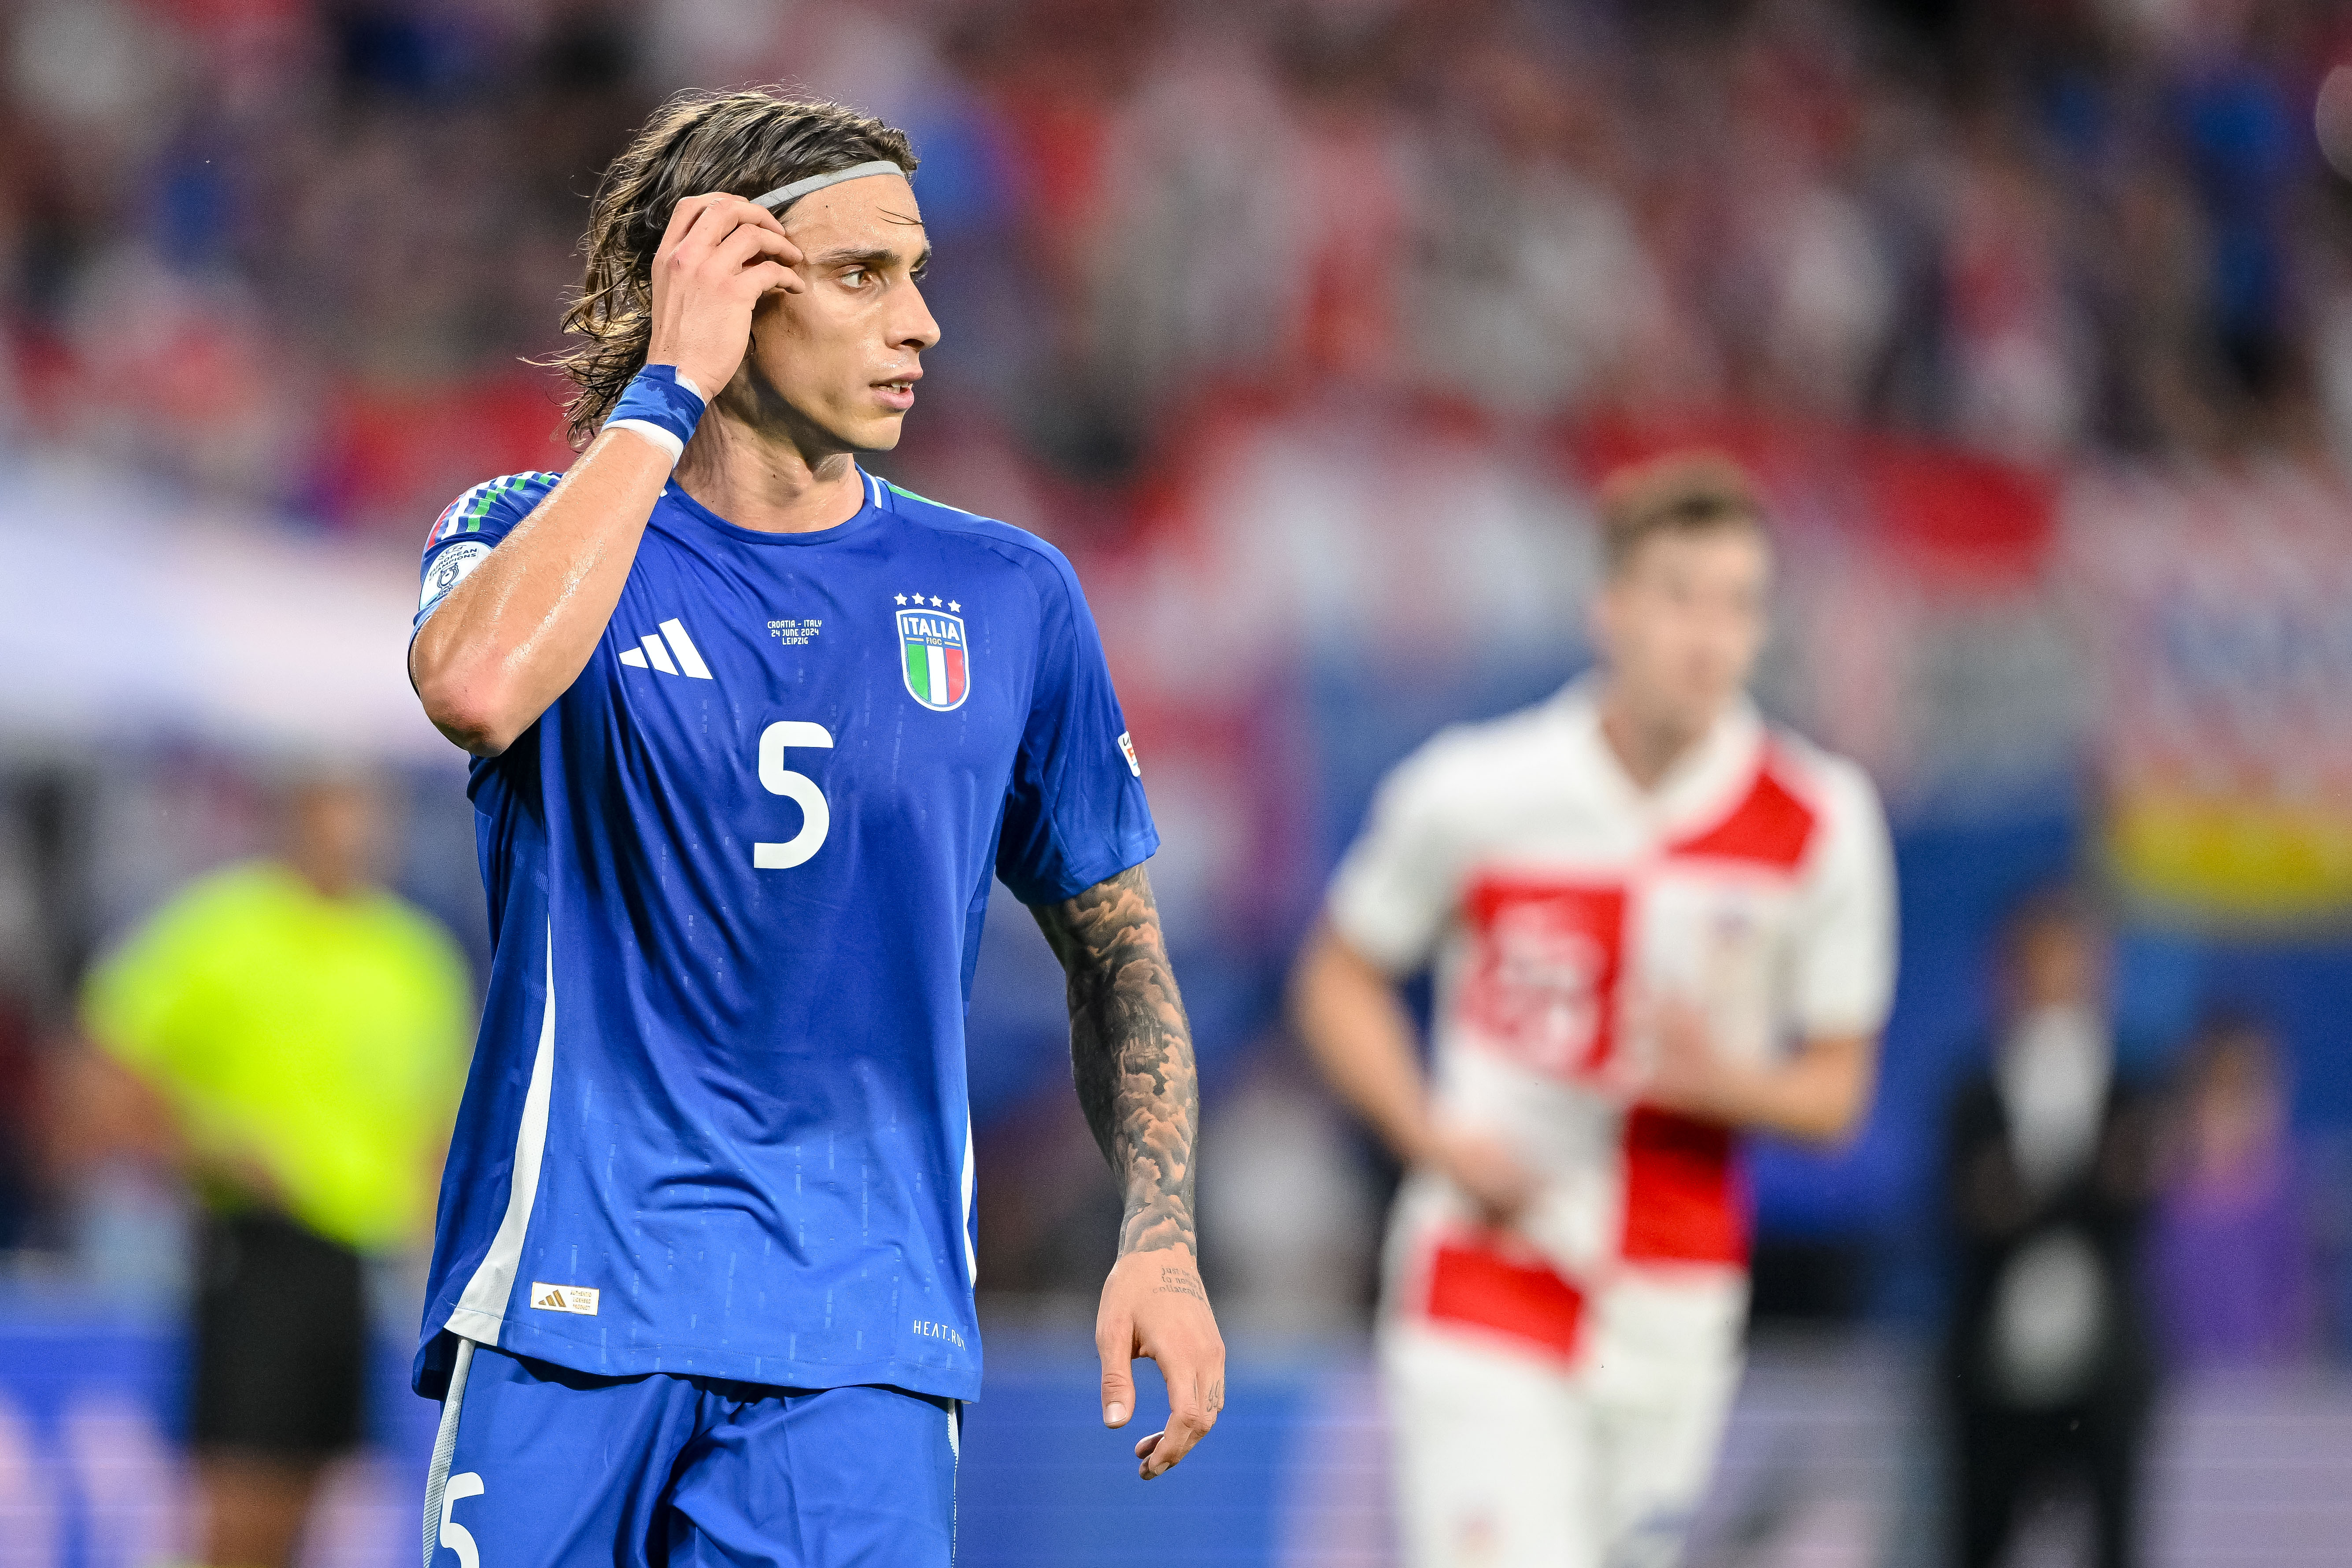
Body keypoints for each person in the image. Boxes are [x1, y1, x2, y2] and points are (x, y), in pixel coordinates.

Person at [404, 89, 1221, 1566]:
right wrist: (664, 390)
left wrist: (1159, 1232)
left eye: (917, 274)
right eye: (862, 276)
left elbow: (1122, 959)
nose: (919, 324)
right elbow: (472, 687)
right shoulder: (532, 533)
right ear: (718, 283)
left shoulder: (1007, 595)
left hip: (861, 1338)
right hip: (567, 1303)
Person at [1291, 452, 1897, 1568]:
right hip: (1488, 1266)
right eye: (1678, 597)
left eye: (1738, 604)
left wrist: (1727, 1083)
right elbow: (1338, 975)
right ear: (1610, 609)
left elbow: (1839, 1092)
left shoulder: (1822, 822)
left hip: (1675, 1303)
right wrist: (1429, 1135)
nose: (1708, 635)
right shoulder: (1477, 789)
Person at [75, 775, 472, 1568]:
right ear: (298, 825)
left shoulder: (415, 957)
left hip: (358, 1262)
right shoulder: (225, 929)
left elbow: (439, 1123)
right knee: (242, 1504)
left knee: (317, 1498)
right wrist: (201, 1147)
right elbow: (105, 1065)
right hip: (259, 1248)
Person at [1940, 890, 2156, 1568]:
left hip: (2107, 1379)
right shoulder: (1973, 1094)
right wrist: (2087, 1181)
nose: (2056, 977)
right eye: (2040, 959)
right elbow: (1970, 1215)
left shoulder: (2131, 1086)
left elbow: (2133, 1207)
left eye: (2072, 959)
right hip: (1992, 1378)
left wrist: (2027, 1193)